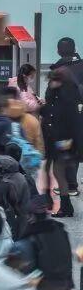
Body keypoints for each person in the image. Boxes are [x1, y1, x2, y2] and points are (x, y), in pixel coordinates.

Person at [41, 65, 83, 217]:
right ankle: (58, 203)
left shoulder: (65, 95)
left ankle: (65, 206)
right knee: (52, 169)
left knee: (58, 171)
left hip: (61, 138)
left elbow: (56, 113)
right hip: (61, 138)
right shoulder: (68, 92)